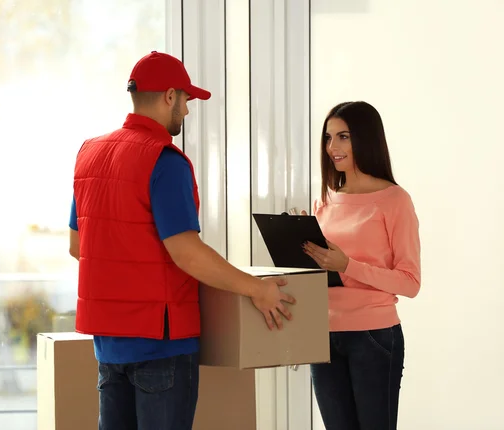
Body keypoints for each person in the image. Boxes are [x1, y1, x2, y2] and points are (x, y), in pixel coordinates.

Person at [68, 51, 296, 430]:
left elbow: (79, 247)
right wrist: (257, 289)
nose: (187, 112)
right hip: (162, 347)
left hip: (109, 347)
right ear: (169, 96)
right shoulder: (164, 160)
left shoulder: (89, 155)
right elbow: (187, 254)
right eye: (187, 100)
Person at [301, 101, 421, 430]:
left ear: (366, 139)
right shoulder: (324, 200)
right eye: (328, 138)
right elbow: (321, 275)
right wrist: (300, 244)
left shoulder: (395, 200)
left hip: (373, 336)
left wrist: (348, 265)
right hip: (322, 335)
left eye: (343, 137)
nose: (332, 147)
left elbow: (410, 282)